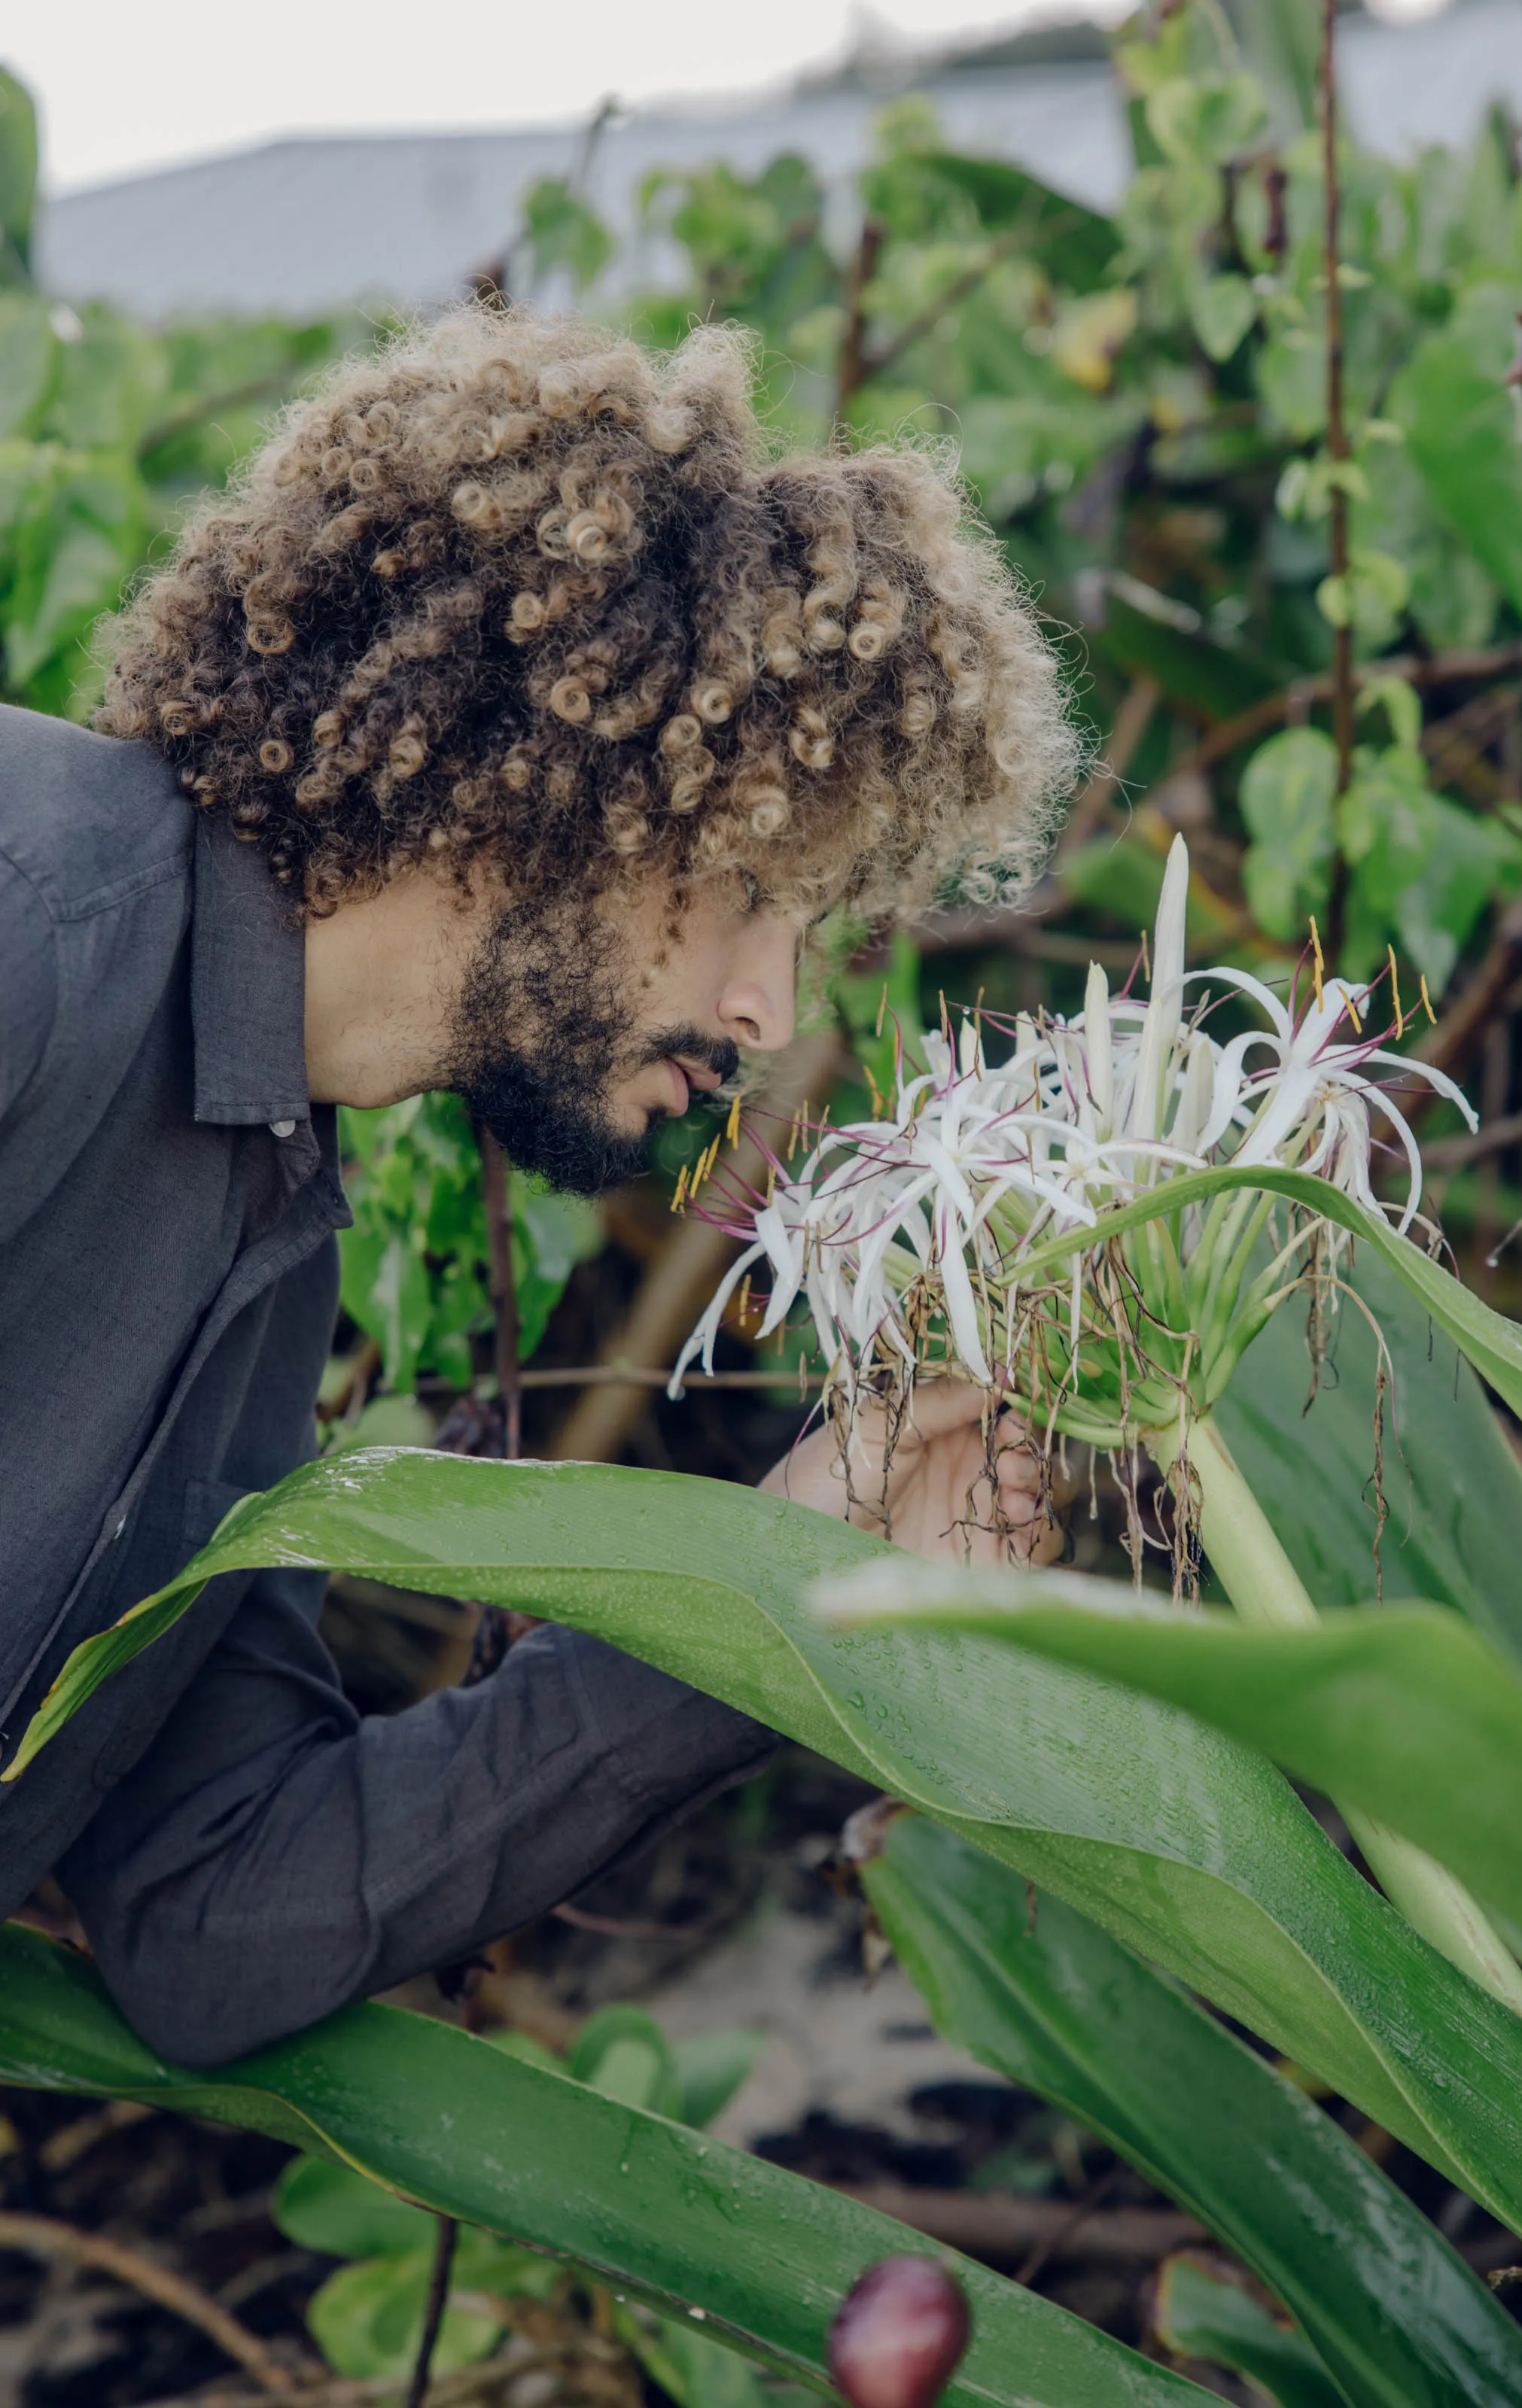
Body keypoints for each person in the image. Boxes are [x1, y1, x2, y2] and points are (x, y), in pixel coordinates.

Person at [0, 310, 1076, 2066]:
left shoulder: (264, 1240)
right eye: (751, 894)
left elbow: (217, 1914)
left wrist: (787, 1574)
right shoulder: (28, 904)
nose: (769, 1010)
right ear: (554, 779)